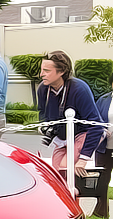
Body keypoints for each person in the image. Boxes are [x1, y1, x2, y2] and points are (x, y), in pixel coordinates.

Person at [37, 50, 104, 179]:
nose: (41, 74)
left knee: (64, 170)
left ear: (61, 71)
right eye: (41, 70)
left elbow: (97, 126)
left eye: (46, 70)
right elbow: (43, 115)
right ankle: (68, 197)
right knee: (56, 175)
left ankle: (73, 196)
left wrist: (84, 158)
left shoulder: (79, 89)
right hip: (61, 138)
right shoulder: (43, 89)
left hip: (81, 134)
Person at [93, 72, 113, 218]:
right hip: (104, 149)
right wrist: (103, 130)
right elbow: (95, 120)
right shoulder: (103, 100)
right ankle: (101, 215)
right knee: (102, 181)